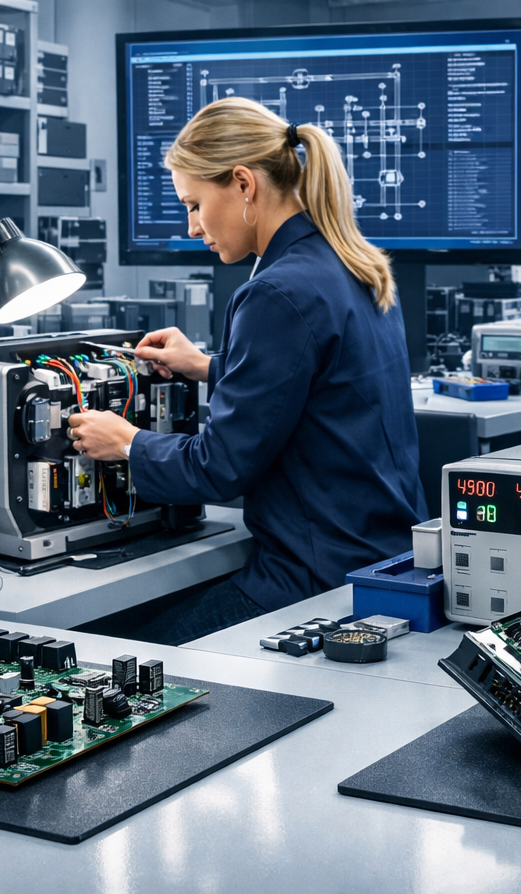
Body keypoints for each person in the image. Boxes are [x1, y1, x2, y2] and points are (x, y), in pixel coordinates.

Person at [68, 97, 427, 643]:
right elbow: (322, 387)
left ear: (243, 184)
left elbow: (218, 468)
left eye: (193, 204)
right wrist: (210, 366)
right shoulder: (356, 265)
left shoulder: (275, 293)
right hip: (386, 561)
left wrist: (126, 442)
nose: (192, 227)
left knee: (128, 654)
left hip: (314, 582)